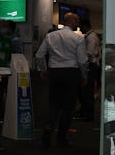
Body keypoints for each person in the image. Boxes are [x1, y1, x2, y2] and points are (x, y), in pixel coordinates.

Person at [35, 12, 88, 148]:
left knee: (53, 105)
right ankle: (61, 138)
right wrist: (84, 76)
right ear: (74, 22)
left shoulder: (50, 36)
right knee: (68, 107)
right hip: (71, 73)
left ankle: (47, 131)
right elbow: (82, 61)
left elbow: (39, 55)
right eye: (77, 22)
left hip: (54, 73)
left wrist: (43, 70)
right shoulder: (78, 39)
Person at [78, 19, 100, 122]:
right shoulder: (91, 36)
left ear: (85, 26)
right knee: (86, 90)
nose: (79, 29)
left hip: (91, 65)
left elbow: (89, 53)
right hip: (92, 65)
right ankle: (85, 112)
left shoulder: (91, 37)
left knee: (88, 91)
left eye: (80, 26)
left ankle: (88, 114)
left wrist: (79, 56)